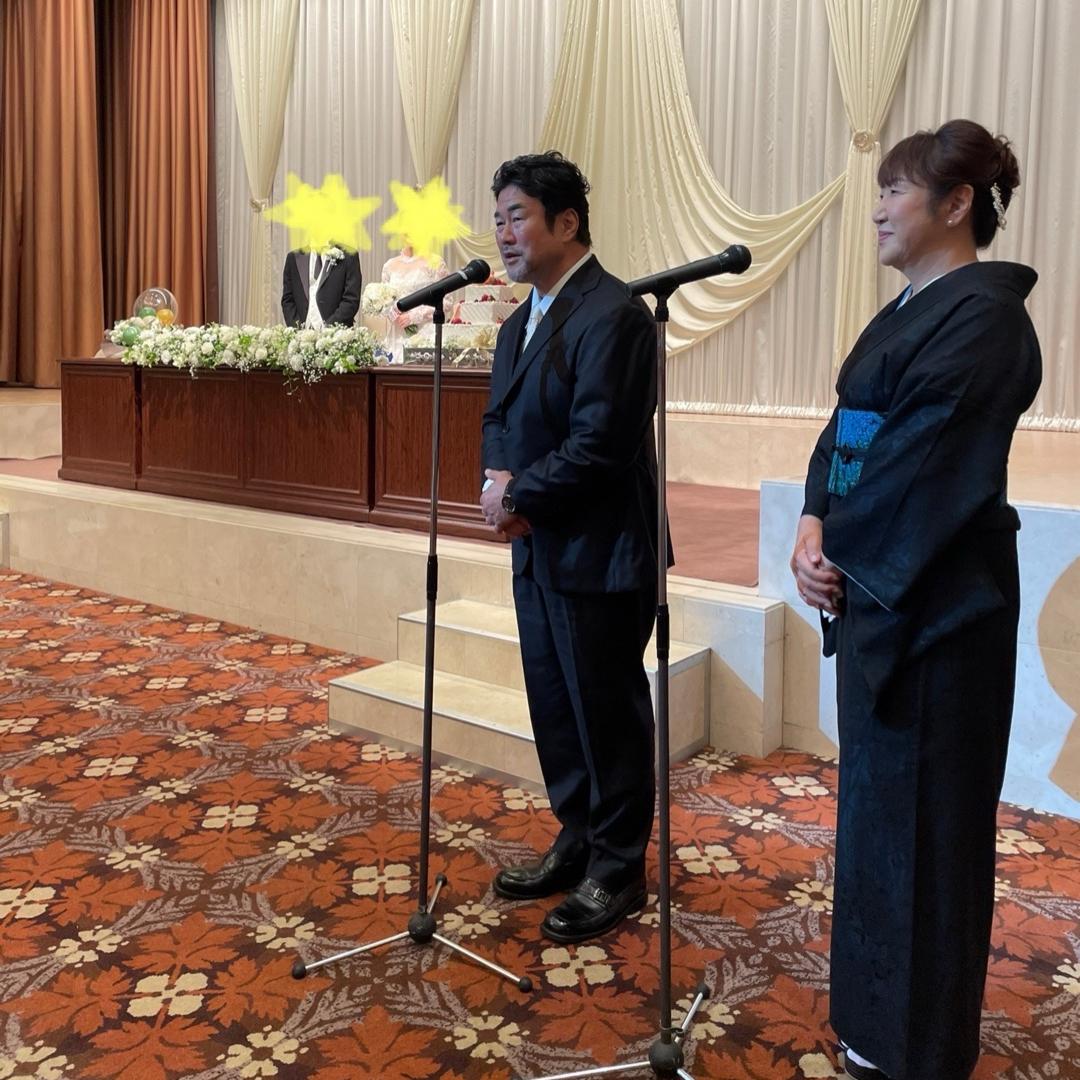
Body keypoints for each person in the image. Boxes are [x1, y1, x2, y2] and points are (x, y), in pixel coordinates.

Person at [790, 119, 1041, 1080]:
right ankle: (873, 1021)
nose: (879, 210)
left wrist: (842, 547)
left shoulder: (986, 318)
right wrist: (812, 522)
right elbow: (845, 432)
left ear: (956, 203)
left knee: (930, 826)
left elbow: (925, 464)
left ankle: (922, 1049)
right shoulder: (906, 311)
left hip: (939, 611)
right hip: (877, 589)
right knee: (878, 815)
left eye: (895, 190)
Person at [479, 151, 664, 943]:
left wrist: (518, 495)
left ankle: (618, 867)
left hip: (601, 552)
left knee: (606, 714)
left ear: (566, 222)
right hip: (539, 548)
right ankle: (579, 837)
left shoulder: (614, 313)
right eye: (498, 219)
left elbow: (601, 445)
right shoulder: (520, 320)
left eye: (517, 216)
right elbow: (497, 417)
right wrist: (497, 484)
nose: (504, 233)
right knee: (556, 707)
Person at [380, 244, 446, 362]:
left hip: (425, 334)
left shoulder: (435, 262)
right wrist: (393, 313)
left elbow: (446, 301)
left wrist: (414, 316)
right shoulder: (389, 266)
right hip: (396, 333)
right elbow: (383, 301)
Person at [281, 245, 361, 328]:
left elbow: (351, 299)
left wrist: (330, 329)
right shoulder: (293, 257)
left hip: (336, 332)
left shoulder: (349, 255)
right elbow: (288, 300)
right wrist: (297, 328)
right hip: (302, 332)